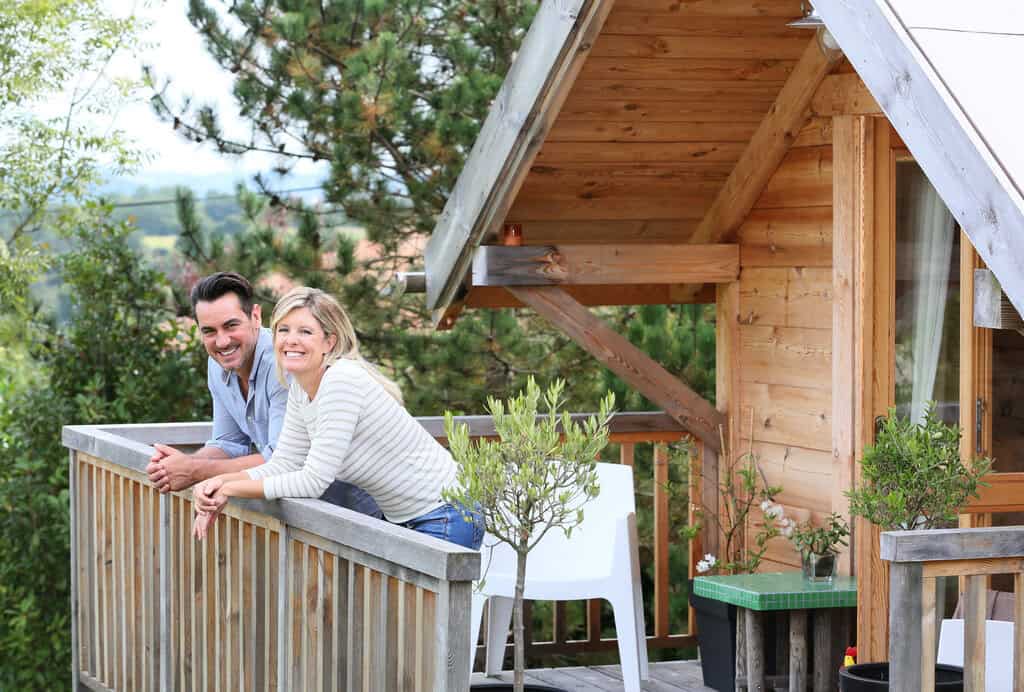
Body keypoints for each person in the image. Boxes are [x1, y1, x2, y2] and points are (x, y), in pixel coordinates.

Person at [191, 286, 484, 550]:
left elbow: (313, 480)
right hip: (403, 520)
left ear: (329, 342)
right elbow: (284, 464)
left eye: (305, 332)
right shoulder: (300, 388)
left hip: (446, 513)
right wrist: (215, 484)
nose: (291, 340)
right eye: (284, 330)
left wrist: (228, 488)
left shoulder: (340, 380)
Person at [145, 272, 381, 517]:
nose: (222, 341)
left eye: (231, 325)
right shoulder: (218, 364)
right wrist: (175, 466)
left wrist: (195, 471)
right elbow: (228, 443)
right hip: (309, 517)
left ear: (255, 316)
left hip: (359, 512)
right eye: (209, 331)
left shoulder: (285, 364)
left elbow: (281, 461)